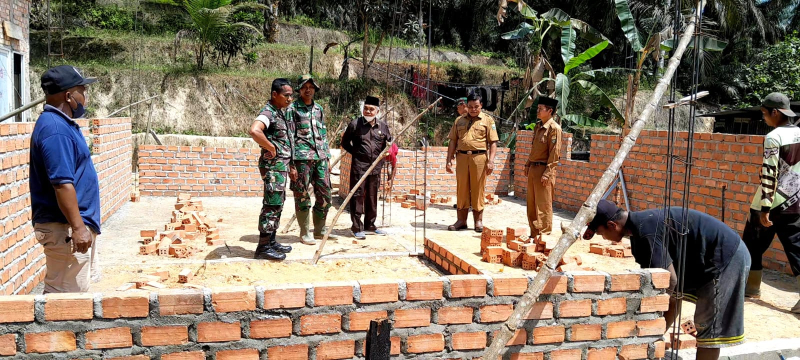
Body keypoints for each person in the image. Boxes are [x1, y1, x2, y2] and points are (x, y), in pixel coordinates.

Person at [584, 200, 751, 360]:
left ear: (613, 225)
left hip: (726, 257)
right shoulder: (638, 234)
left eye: (601, 233)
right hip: (705, 258)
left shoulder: (646, 231)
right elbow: (663, 286)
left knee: (707, 325)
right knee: (673, 295)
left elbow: (669, 281)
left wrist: (651, 317)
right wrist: (649, 337)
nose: (603, 238)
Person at [30, 65, 100, 293]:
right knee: (63, 304)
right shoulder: (55, 130)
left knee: (73, 300)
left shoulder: (61, 125)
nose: (85, 97)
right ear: (69, 96)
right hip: (66, 230)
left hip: (70, 229)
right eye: (82, 91)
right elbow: (61, 184)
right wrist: (78, 228)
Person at [741, 92, 800, 313]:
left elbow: (769, 173)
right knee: (796, 249)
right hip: (794, 202)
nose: (764, 119)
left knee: (751, 245)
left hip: (771, 203)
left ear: (775, 112)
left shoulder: (774, 137)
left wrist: (765, 208)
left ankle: (752, 288)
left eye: (765, 114)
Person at [287, 74, 337, 245]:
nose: (308, 89)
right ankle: (304, 232)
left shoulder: (319, 109)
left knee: (326, 194)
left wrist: (328, 157)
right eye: (304, 87)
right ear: (299, 89)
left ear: (315, 89)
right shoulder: (292, 109)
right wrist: (291, 164)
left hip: (321, 158)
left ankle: (319, 230)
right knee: (302, 195)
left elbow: (323, 134)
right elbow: (289, 137)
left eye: (311, 86)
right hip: (301, 159)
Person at [248, 78, 295, 260]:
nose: (290, 99)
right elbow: (254, 131)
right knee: (271, 204)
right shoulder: (268, 112)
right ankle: (263, 247)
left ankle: (272, 241)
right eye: (286, 95)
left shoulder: (279, 112)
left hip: (280, 168)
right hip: (273, 168)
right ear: (274, 94)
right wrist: (271, 147)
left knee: (278, 203)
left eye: (291, 95)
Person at [341, 95, 393, 240]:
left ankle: (370, 224)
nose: (368, 111)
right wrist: (357, 154)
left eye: (371, 109)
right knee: (357, 196)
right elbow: (345, 143)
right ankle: (356, 227)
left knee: (372, 196)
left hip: (375, 168)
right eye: (366, 108)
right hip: (359, 167)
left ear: (377, 111)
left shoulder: (383, 126)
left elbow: (388, 144)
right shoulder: (355, 124)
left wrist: (386, 154)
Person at [445, 93, 499, 232]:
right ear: (466, 106)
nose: (473, 109)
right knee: (461, 189)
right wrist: (449, 159)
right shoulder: (459, 120)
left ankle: (478, 221)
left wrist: (491, 161)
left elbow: (493, 142)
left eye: (476, 106)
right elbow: (453, 141)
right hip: (462, 158)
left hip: (479, 158)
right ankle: (461, 220)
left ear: (481, 106)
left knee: (477, 189)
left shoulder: (488, 120)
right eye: (470, 107)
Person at [525, 97, 562, 242]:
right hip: (534, 168)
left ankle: (544, 237)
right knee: (532, 203)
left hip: (544, 170)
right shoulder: (538, 126)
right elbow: (535, 148)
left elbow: (554, 153)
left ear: (550, 111)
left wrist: (548, 173)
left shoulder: (554, 129)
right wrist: (528, 163)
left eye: (541, 109)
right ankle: (534, 234)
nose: (538, 111)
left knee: (543, 204)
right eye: (538, 108)